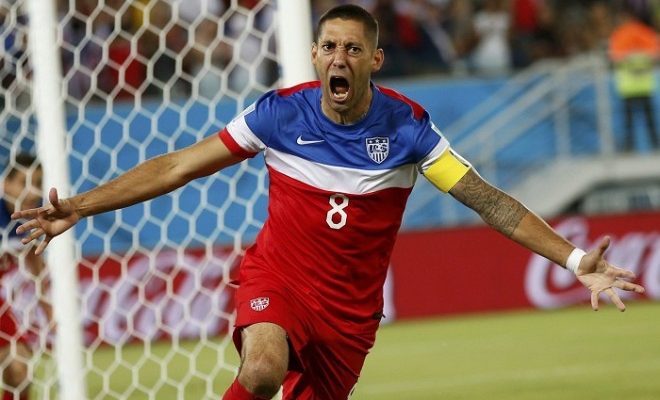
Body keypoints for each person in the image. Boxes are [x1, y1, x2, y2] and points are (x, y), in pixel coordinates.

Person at [12, 5, 645, 400]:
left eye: (351, 48)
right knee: (261, 369)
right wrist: (83, 206)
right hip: (279, 280)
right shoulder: (280, 115)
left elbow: (490, 202)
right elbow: (179, 165)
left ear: (374, 57)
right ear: (314, 54)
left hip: (349, 315)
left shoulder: (410, 131)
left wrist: (573, 259)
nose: (337, 57)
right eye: (328, 46)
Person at [1, 153, 48, 400]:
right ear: (5, 184)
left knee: (20, 370)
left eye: (38, 183)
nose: (32, 192)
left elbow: (35, 262)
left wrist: (50, 313)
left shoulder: (29, 222)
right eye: (23, 183)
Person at [608, 2, 660, 152]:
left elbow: (614, 57)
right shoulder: (644, 32)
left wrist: (629, 56)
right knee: (643, 117)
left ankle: (631, 147)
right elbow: (655, 54)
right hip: (641, 83)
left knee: (632, 119)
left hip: (631, 84)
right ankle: (653, 145)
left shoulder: (621, 34)